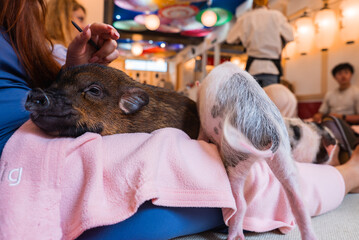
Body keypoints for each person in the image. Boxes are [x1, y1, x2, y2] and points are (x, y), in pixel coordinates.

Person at [0, 1, 359, 240]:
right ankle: (338, 169)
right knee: (212, 164)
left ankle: (317, 147)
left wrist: (74, 70)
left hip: (33, 138)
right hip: (23, 152)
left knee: (219, 152)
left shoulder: (22, 40)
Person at [227, 0, 294, 87]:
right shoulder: (276, 16)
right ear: (267, 4)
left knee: (253, 100)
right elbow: (290, 36)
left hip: (253, 69)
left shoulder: (245, 18)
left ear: (252, 5)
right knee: (271, 99)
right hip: (272, 69)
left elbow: (230, 39)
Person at [46, 0, 87, 65]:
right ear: (63, 19)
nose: (84, 27)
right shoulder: (57, 51)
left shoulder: (48, 47)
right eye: (80, 19)